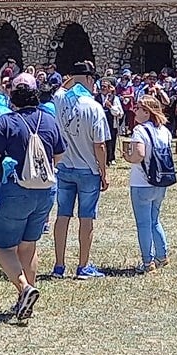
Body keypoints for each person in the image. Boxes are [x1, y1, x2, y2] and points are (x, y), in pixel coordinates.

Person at [0, 75, 66, 321]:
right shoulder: (49, 120)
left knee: (2, 245)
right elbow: (59, 155)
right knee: (29, 245)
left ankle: (24, 288)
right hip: (45, 192)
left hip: (13, 191)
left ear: (12, 98)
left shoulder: (5, 123)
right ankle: (24, 302)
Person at [50, 62, 112, 279]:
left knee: (62, 216)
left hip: (64, 166)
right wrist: (103, 172)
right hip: (87, 169)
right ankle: (82, 265)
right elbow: (100, 145)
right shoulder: (94, 107)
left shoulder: (59, 101)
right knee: (86, 219)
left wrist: (73, 78)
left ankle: (59, 265)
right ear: (88, 79)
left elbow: (59, 89)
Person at [125, 96, 175, 270]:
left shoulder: (140, 130)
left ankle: (148, 261)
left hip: (141, 182)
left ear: (147, 111)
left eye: (138, 108)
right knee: (154, 220)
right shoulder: (164, 131)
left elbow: (138, 154)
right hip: (160, 181)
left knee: (143, 223)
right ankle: (162, 255)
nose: (134, 110)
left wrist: (127, 157)